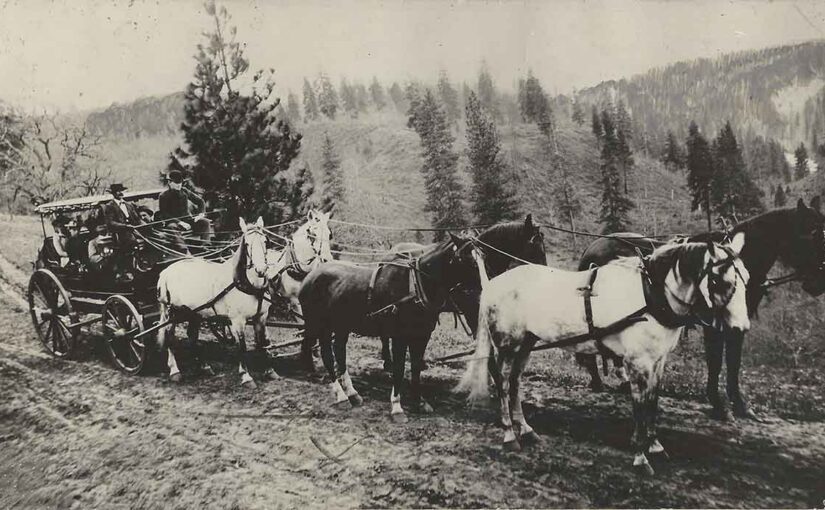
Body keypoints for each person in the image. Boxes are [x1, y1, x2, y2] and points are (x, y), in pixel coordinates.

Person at [158, 170, 206, 254]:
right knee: (171, 227)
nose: (179, 185)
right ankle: (183, 250)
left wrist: (201, 214)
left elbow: (200, 201)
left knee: (205, 222)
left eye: (180, 183)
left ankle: (206, 246)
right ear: (170, 182)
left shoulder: (185, 191)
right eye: (176, 183)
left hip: (188, 220)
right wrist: (180, 222)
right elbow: (164, 214)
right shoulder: (163, 196)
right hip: (174, 222)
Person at [101, 183, 143, 249]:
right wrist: (125, 226)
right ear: (113, 194)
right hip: (120, 232)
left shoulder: (129, 205)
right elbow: (110, 222)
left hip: (134, 229)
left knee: (153, 235)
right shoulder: (109, 206)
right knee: (131, 241)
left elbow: (137, 219)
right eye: (118, 191)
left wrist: (144, 225)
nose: (120, 193)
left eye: (121, 191)